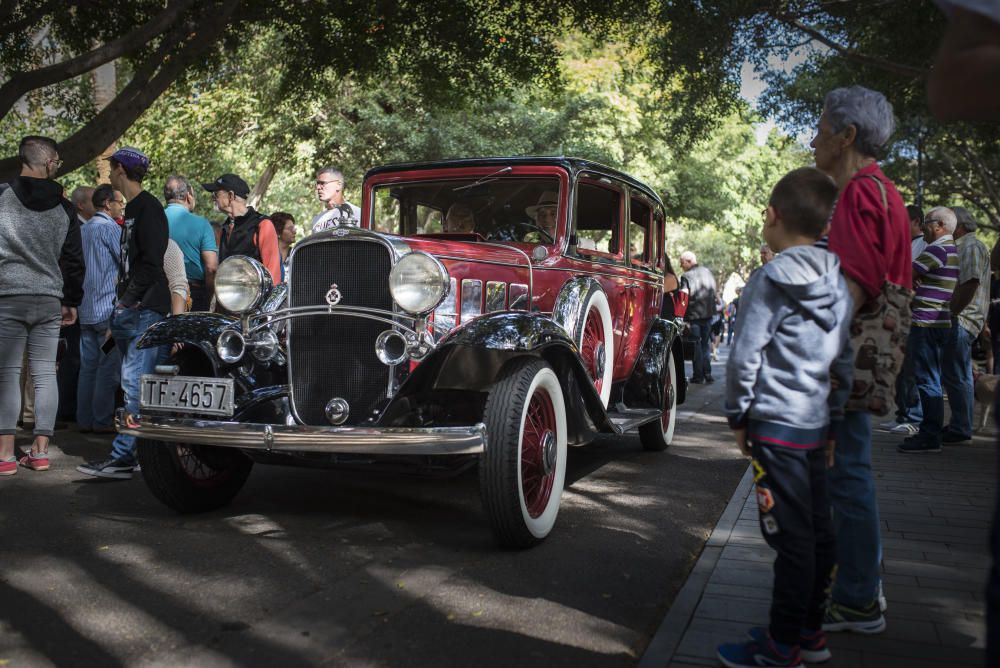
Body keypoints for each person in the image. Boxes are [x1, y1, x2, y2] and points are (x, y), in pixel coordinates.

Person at [717, 167, 850, 668]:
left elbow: (745, 354)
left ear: (771, 216)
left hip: (775, 426)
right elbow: (843, 359)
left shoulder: (768, 278)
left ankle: (780, 645)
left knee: (790, 541)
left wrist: (737, 417)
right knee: (818, 532)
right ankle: (809, 632)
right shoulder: (837, 276)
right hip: (814, 425)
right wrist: (834, 423)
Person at [811, 86, 911, 633]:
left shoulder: (858, 192)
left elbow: (854, 282)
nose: (813, 139)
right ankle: (862, 583)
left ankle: (856, 599)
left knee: (845, 471)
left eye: (822, 128)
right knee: (849, 467)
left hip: (851, 348)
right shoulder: (886, 192)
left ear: (846, 136)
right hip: (875, 345)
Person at [77, 146, 169, 480]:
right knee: (136, 387)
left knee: (134, 385)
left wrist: (126, 300)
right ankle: (134, 455)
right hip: (132, 309)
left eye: (111, 167)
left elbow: (152, 262)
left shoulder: (149, 208)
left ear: (119, 170)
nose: (110, 173)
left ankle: (123, 458)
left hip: (144, 309)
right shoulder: (133, 210)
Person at [0, 136, 84, 475]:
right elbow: (74, 260)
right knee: (45, 374)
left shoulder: (2, 197)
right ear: (49, 163)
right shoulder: (65, 208)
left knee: (7, 375)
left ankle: (5, 455)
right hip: (49, 298)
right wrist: (72, 300)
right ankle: (40, 451)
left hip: (8, 296)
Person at [897, 206, 959, 455]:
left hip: (925, 322)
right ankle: (930, 432)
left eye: (927, 222)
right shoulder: (950, 250)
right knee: (930, 379)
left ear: (939, 226)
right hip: (939, 321)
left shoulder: (937, 249)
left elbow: (904, 276)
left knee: (927, 381)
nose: (922, 227)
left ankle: (929, 435)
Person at [938, 206, 990, 444]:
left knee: (957, 374)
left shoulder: (970, 247)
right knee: (956, 374)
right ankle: (960, 425)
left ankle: (960, 428)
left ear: (957, 226)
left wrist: (952, 313)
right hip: (960, 318)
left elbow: (970, 284)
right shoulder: (964, 247)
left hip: (961, 319)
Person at [76, 185, 123, 434]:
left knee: (89, 367)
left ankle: (84, 420)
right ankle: (102, 420)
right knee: (107, 366)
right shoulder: (110, 229)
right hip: (107, 313)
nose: (121, 205)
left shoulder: (82, 230)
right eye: (118, 201)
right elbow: (125, 264)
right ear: (107, 203)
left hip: (85, 311)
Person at [879, 203, 928, 435]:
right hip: (895, 311)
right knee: (898, 367)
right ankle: (902, 413)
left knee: (911, 369)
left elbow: (913, 275)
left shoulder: (923, 245)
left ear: (917, 221)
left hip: (913, 313)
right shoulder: (902, 244)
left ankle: (914, 417)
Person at [203, 173, 281, 285]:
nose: (213, 198)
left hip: (256, 300)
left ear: (230, 196)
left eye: (216, 194)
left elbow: (273, 275)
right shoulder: (225, 227)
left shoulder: (262, 224)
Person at [163, 175, 217, 311]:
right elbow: (211, 268)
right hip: (193, 295)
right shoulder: (202, 224)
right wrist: (209, 297)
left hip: (158, 293)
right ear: (188, 196)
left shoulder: (155, 220)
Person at [679, 250, 716, 384]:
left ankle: (698, 376)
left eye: (681, 263)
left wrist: (682, 317)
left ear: (689, 261)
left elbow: (684, 297)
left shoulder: (686, 276)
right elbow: (714, 293)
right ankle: (708, 373)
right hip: (708, 315)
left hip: (693, 317)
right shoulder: (708, 272)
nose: (681, 266)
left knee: (696, 346)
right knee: (705, 345)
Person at [311, 167, 360, 232]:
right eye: (317, 184)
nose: (318, 187)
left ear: (338, 185)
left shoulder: (357, 213)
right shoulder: (317, 220)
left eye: (323, 183)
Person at [270, 212, 296, 282]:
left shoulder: (297, 254)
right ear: (277, 232)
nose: (294, 231)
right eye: (290, 228)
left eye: (294, 227)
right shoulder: (267, 255)